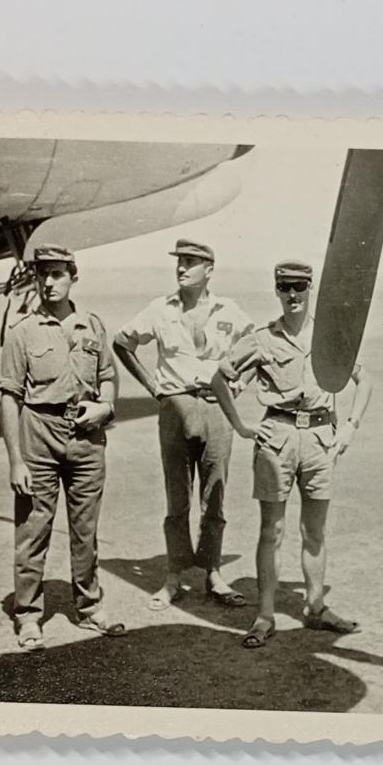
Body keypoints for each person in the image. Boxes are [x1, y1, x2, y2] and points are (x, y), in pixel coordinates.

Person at [210, 260, 374, 648]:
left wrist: (350, 426)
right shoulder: (262, 337)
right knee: (273, 530)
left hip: (320, 439)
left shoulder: (331, 336)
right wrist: (240, 425)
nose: (293, 295)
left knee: (314, 532)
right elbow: (220, 378)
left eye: (300, 287)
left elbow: (364, 379)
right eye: (285, 288)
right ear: (277, 291)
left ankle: (315, 607)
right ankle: (265, 616)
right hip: (276, 438)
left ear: (311, 288)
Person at [113, 238, 255, 610]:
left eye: (191, 262)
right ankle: (174, 576)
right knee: (177, 498)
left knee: (215, 495)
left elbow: (257, 346)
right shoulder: (160, 309)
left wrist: (238, 385)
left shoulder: (230, 310)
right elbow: (122, 342)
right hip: (174, 408)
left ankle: (213, 574)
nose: (181, 268)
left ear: (209, 269)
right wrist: (153, 388)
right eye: (179, 262)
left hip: (215, 409)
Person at [0, 244, 126, 651]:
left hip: (87, 438)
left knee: (85, 530)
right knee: (33, 529)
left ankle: (89, 607)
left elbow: (108, 376)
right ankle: (29, 616)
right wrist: (16, 460)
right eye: (42, 274)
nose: (48, 282)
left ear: (74, 276)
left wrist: (104, 408)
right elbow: (9, 397)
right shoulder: (22, 332)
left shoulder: (92, 326)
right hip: (39, 433)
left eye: (57, 274)